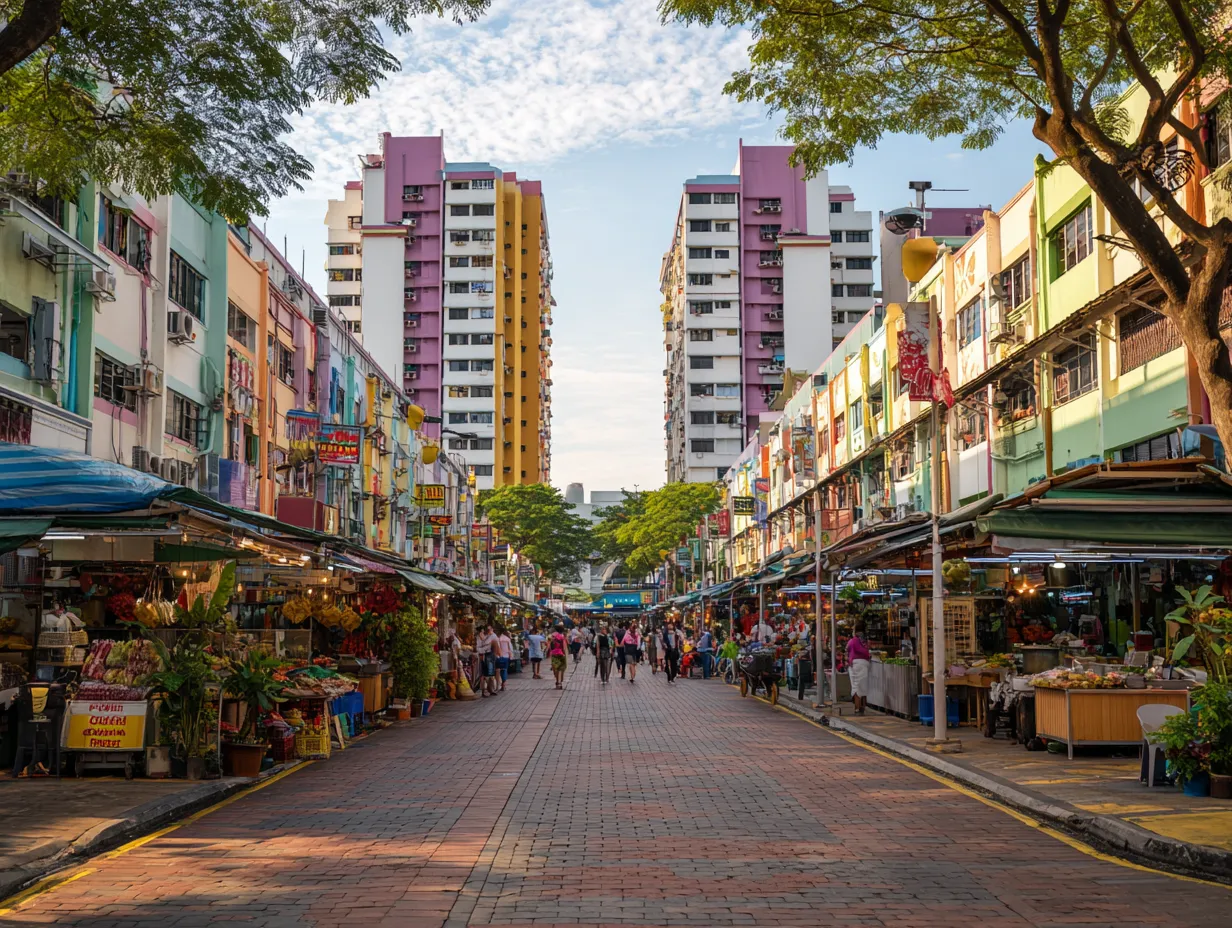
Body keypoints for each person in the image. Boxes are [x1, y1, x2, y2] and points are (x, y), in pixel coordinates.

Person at [847, 620, 872, 715]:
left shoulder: (853, 640)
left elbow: (848, 649)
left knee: (856, 686)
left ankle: (857, 708)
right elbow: (867, 650)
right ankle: (862, 707)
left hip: (855, 664)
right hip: (864, 663)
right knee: (863, 685)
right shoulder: (865, 640)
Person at [476, 624, 499, 697]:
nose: (488, 631)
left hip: (490, 655)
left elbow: (491, 642)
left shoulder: (492, 635)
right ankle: (484, 690)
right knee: (484, 674)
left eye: (490, 629)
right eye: (487, 629)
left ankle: (491, 689)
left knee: (491, 673)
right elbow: (478, 647)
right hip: (483, 655)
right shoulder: (479, 637)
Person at [548, 624, 569, 689]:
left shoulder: (551, 636)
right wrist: (565, 655)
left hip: (554, 654)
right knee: (560, 669)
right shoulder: (562, 636)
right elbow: (564, 647)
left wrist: (548, 653)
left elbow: (549, 646)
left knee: (555, 668)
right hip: (561, 654)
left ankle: (557, 681)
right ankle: (559, 683)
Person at [496, 625, 514, 691]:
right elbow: (510, 648)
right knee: (504, 670)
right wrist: (511, 656)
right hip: (506, 656)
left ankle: (499, 684)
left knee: (498, 671)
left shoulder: (496, 639)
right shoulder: (507, 639)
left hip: (498, 657)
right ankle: (503, 684)